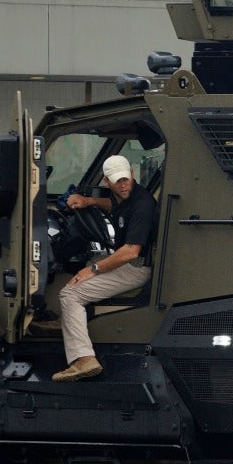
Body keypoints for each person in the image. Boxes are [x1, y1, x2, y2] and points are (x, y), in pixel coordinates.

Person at [51, 155, 156, 381]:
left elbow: (130, 251)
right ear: (107, 182)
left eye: (126, 179)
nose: (123, 184)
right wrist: (89, 202)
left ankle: (83, 358)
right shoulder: (125, 196)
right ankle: (68, 321)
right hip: (131, 262)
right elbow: (114, 205)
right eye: (118, 181)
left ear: (133, 174)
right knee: (85, 264)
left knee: (70, 294)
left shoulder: (142, 204)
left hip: (135, 267)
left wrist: (94, 270)